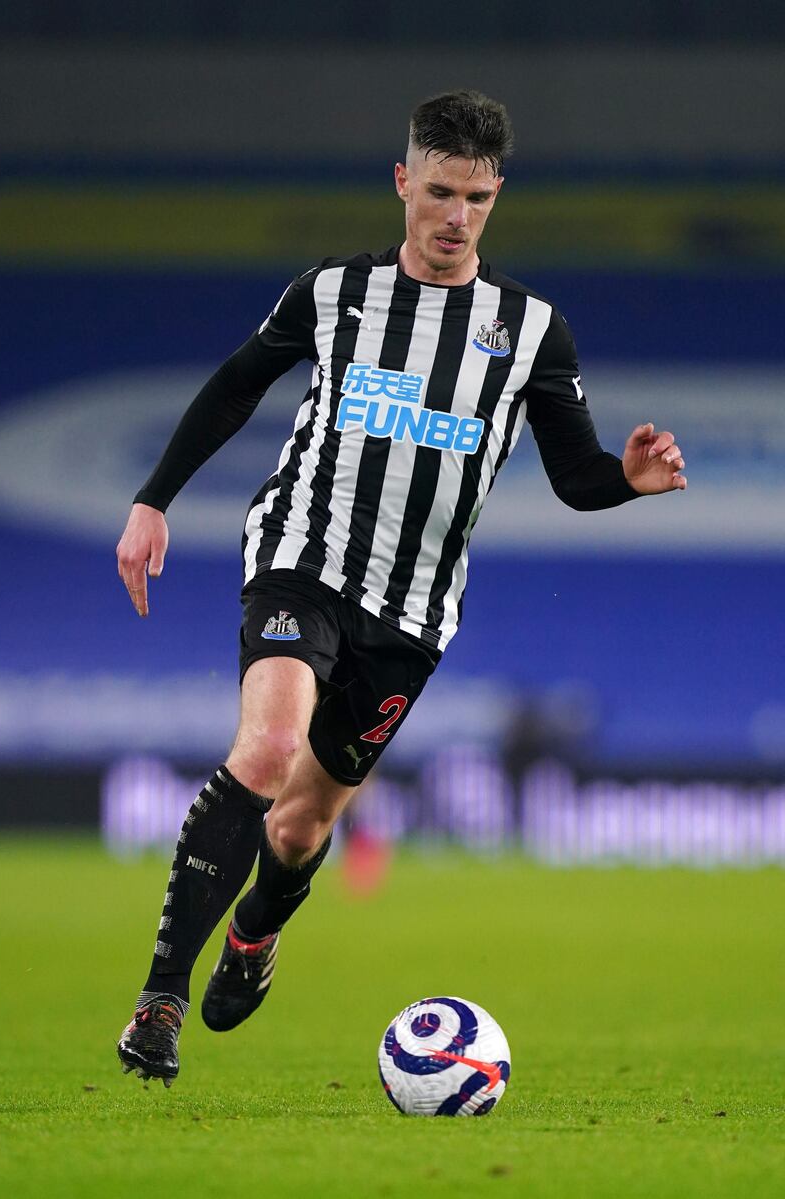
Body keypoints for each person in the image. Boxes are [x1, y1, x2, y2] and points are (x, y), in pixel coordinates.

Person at [115, 89, 686, 1086]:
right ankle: (159, 999)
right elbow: (240, 380)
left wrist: (626, 483)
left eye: (474, 196)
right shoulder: (331, 294)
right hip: (303, 553)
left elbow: (574, 476)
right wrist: (155, 498)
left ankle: (254, 929)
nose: (453, 215)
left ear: (494, 194)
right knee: (268, 745)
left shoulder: (529, 329)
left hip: (413, 610)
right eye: (436, 191)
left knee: (299, 825)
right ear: (401, 181)